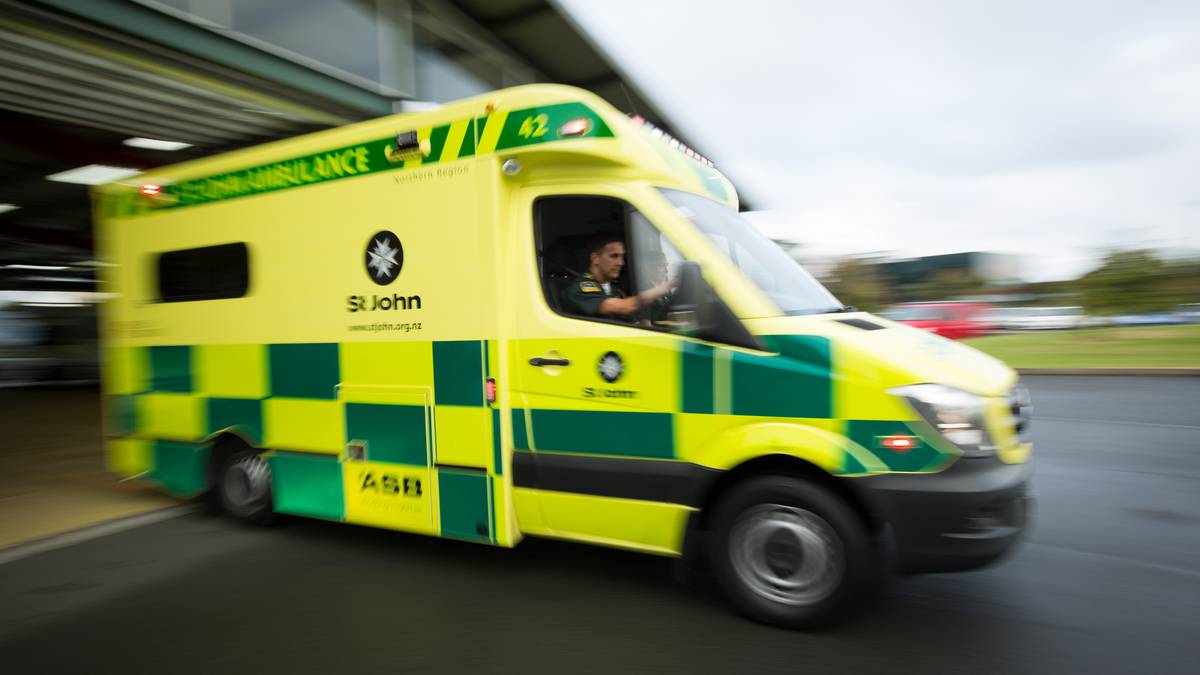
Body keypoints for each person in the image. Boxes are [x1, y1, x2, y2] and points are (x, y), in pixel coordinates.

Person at [560, 236, 673, 323]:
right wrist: (666, 286)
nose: (620, 263)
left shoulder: (613, 288)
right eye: (614, 256)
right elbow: (625, 307)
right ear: (595, 258)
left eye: (622, 257)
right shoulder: (580, 288)